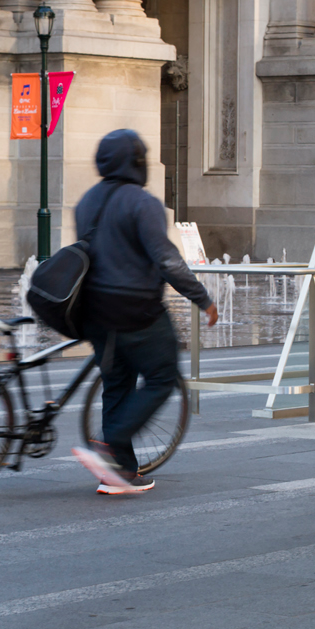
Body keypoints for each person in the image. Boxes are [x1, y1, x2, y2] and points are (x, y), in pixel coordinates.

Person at [70, 130, 219, 496]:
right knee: (162, 376)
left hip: (95, 310)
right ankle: (110, 445)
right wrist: (202, 298)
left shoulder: (87, 201)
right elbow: (166, 259)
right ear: (136, 162)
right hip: (136, 309)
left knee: (117, 383)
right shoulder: (143, 203)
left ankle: (120, 472)